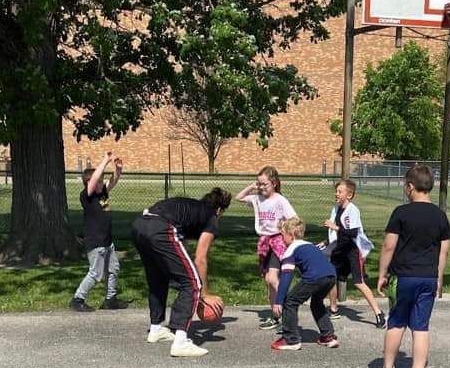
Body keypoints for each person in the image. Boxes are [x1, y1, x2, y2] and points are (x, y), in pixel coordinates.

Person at [375, 165, 450, 368]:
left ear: (410, 186)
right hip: (428, 277)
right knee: (421, 326)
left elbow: (389, 246)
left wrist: (382, 273)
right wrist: (439, 278)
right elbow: (444, 251)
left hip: (403, 276)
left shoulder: (401, 213)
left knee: (397, 321)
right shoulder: (440, 215)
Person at [131, 188, 231, 357]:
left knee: (157, 278)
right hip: (160, 228)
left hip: (139, 225)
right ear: (220, 210)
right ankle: (181, 342)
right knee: (192, 283)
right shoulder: (212, 217)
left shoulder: (192, 208)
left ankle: (156, 329)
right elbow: (200, 258)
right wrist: (204, 294)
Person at [235, 166, 298, 331]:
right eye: (259, 183)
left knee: (272, 278)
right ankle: (276, 316)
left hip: (277, 241)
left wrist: (285, 230)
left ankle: (289, 307)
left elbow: (295, 219)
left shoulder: (280, 200)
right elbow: (238, 197)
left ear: (274, 183)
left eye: (265, 184)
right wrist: (252, 186)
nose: (261, 187)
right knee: (269, 283)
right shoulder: (257, 198)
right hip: (264, 242)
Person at [70, 152, 129, 312]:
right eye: (99, 181)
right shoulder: (86, 196)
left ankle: (110, 300)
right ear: (90, 182)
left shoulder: (102, 194)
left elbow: (113, 181)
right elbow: (95, 178)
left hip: (107, 241)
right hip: (95, 242)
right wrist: (105, 160)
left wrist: (118, 169)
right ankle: (78, 299)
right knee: (96, 274)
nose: (102, 182)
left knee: (113, 269)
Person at [322, 179, 385, 328]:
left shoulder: (353, 210)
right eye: (336, 191)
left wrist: (335, 227)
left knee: (358, 282)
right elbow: (337, 234)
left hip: (352, 250)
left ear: (349, 195)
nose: (336, 194)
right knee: (331, 277)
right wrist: (326, 242)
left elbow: (353, 233)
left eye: (340, 191)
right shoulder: (336, 208)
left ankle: (378, 313)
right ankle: (333, 309)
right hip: (340, 250)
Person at [270, 217, 339, 351]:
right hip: (331, 275)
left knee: (290, 302)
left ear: (291, 235)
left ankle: (291, 340)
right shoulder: (310, 245)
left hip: (314, 277)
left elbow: (286, 277)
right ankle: (328, 336)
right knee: (316, 303)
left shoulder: (290, 250)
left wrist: (279, 301)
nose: (282, 239)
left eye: (283, 235)